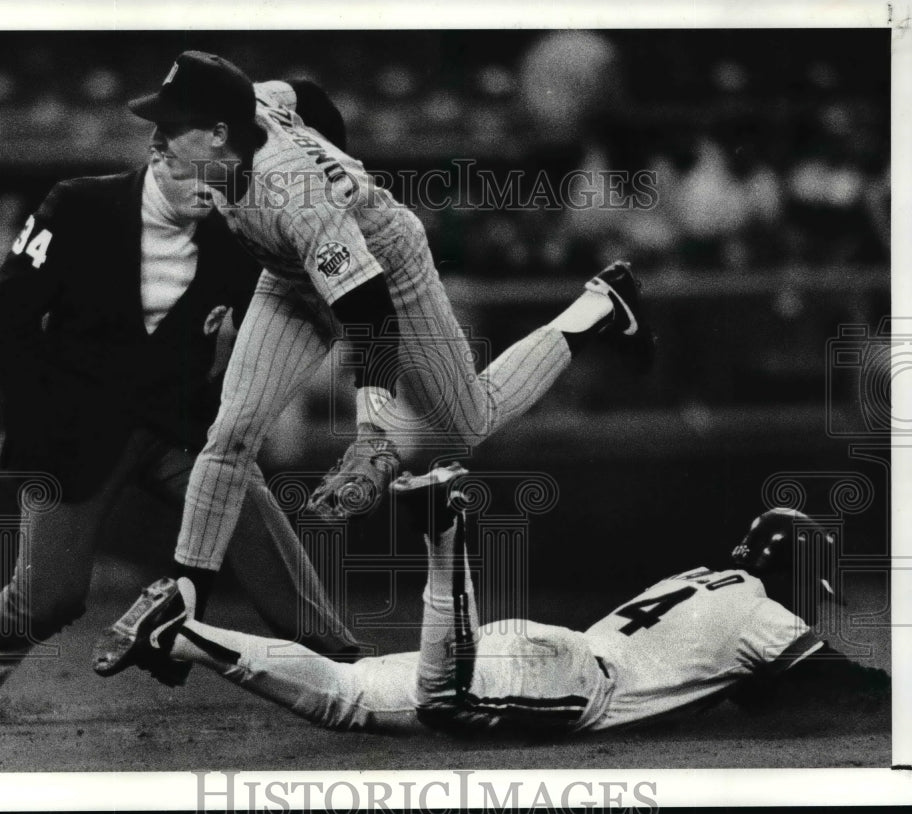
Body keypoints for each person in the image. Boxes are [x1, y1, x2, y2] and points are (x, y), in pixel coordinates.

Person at [94, 50, 656, 656]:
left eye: (172, 125)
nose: (157, 138)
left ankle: (601, 306)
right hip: (292, 274)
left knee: (467, 423)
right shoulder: (248, 101)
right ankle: (186, 596)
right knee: (230, 432)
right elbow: (306, 93)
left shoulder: (292, 194)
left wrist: (374, 435)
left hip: (387, 267)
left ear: (219, 133)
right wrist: (336, 156)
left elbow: (369, 311)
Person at [0, 79, 359, 730]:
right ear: (160, 151)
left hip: (179, 427)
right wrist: (36, 415)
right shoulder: (77, 206)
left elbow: (278, 323)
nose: (214, 188)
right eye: (199, 174)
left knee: (256, 529)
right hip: (80, 428)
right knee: (49, 598)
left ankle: (346, 667)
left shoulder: (242, 231)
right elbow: (10, 307)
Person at [95, 465, 889, 735]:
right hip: (565, 683)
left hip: (539, 650)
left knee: (345, 697)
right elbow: (840, 688)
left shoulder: (695, 581)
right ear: (798, 573)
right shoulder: (760, 611)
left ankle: (184, 632)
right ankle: (443, 535)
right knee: (445, 704)